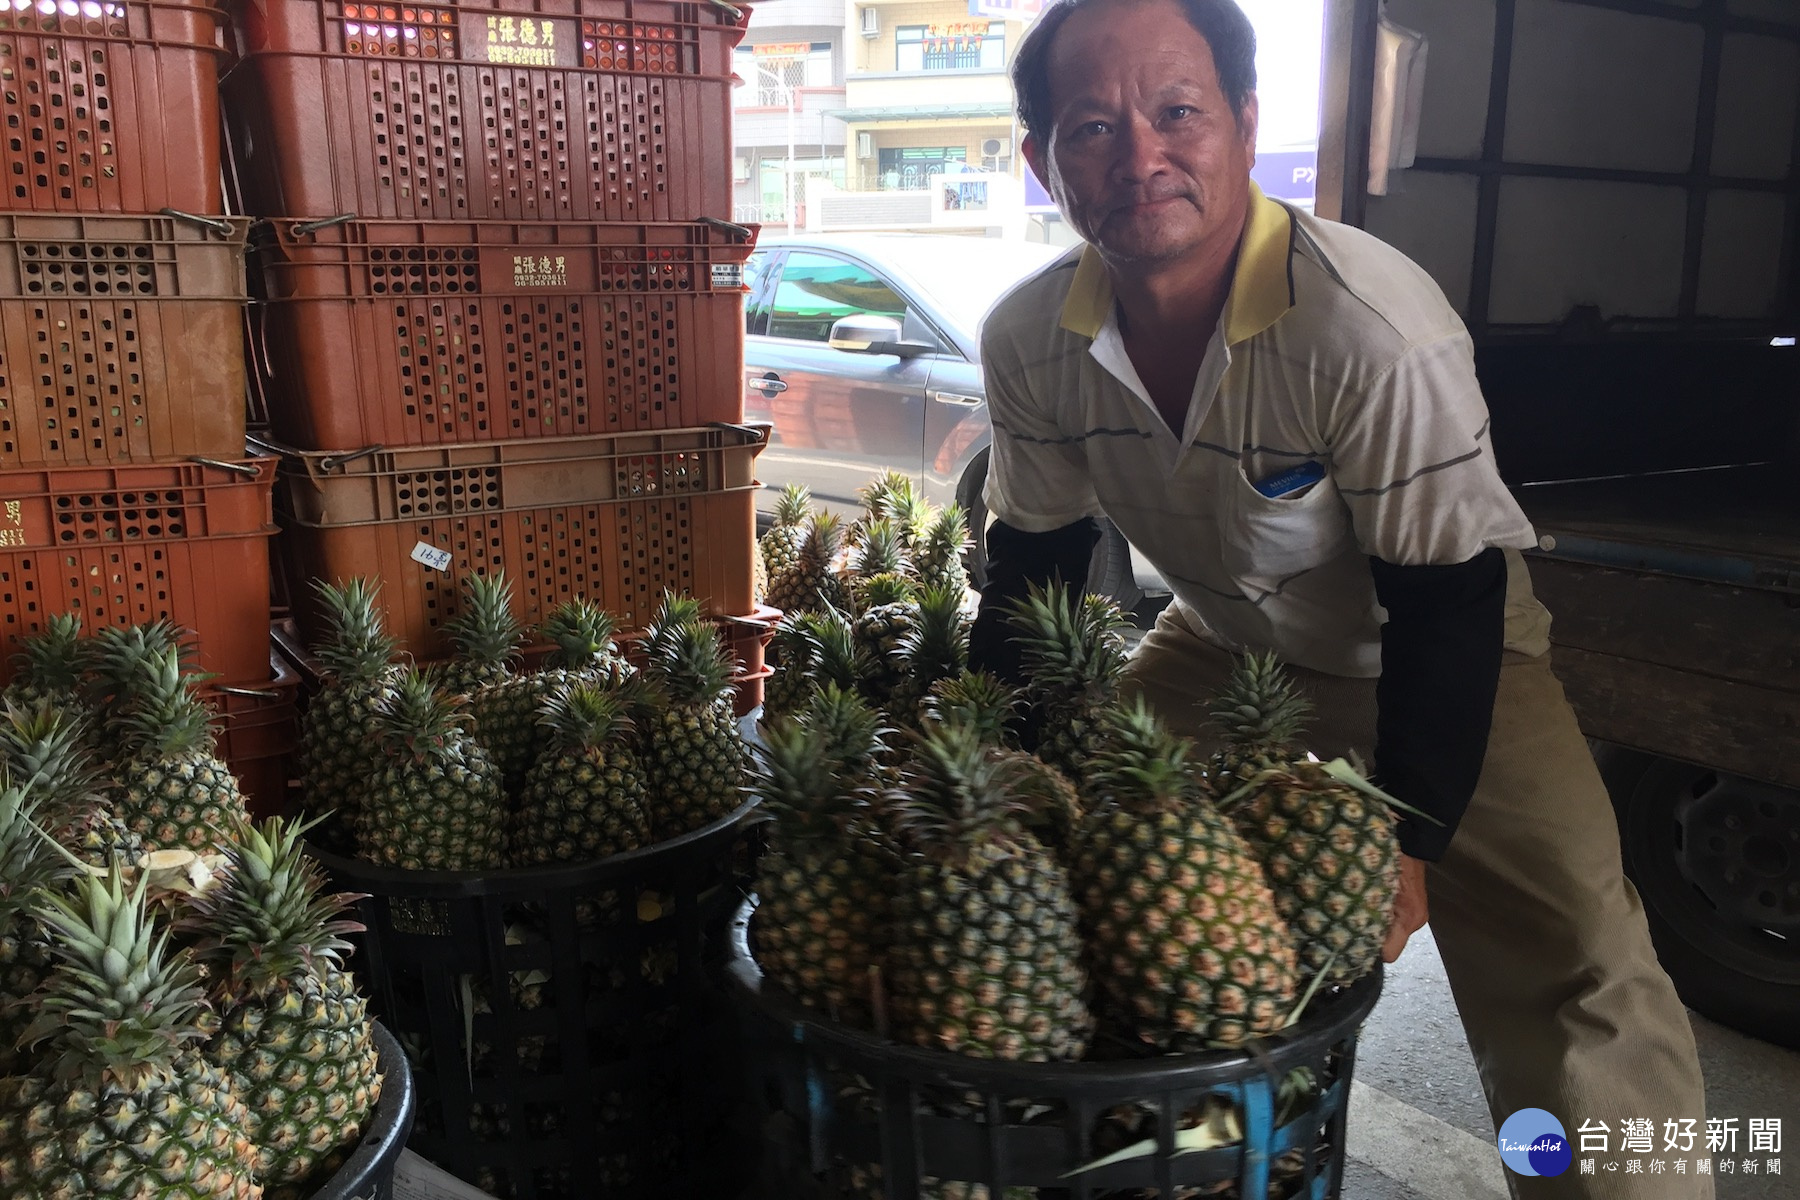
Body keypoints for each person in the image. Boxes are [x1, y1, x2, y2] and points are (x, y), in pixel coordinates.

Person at [968, 1, 1712, 1195]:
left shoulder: (1364, 324)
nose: (1141, 156)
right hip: (1222, 643)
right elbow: (1032, 573)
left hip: (1441, 645)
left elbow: (1449, 599)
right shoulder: (1028, 338)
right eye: (1092, 126)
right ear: (1040, 160)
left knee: (1579, 968)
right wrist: (990, 779)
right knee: (1072, 847)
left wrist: (1408, 841)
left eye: (1178, 113)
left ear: (1246, 126)